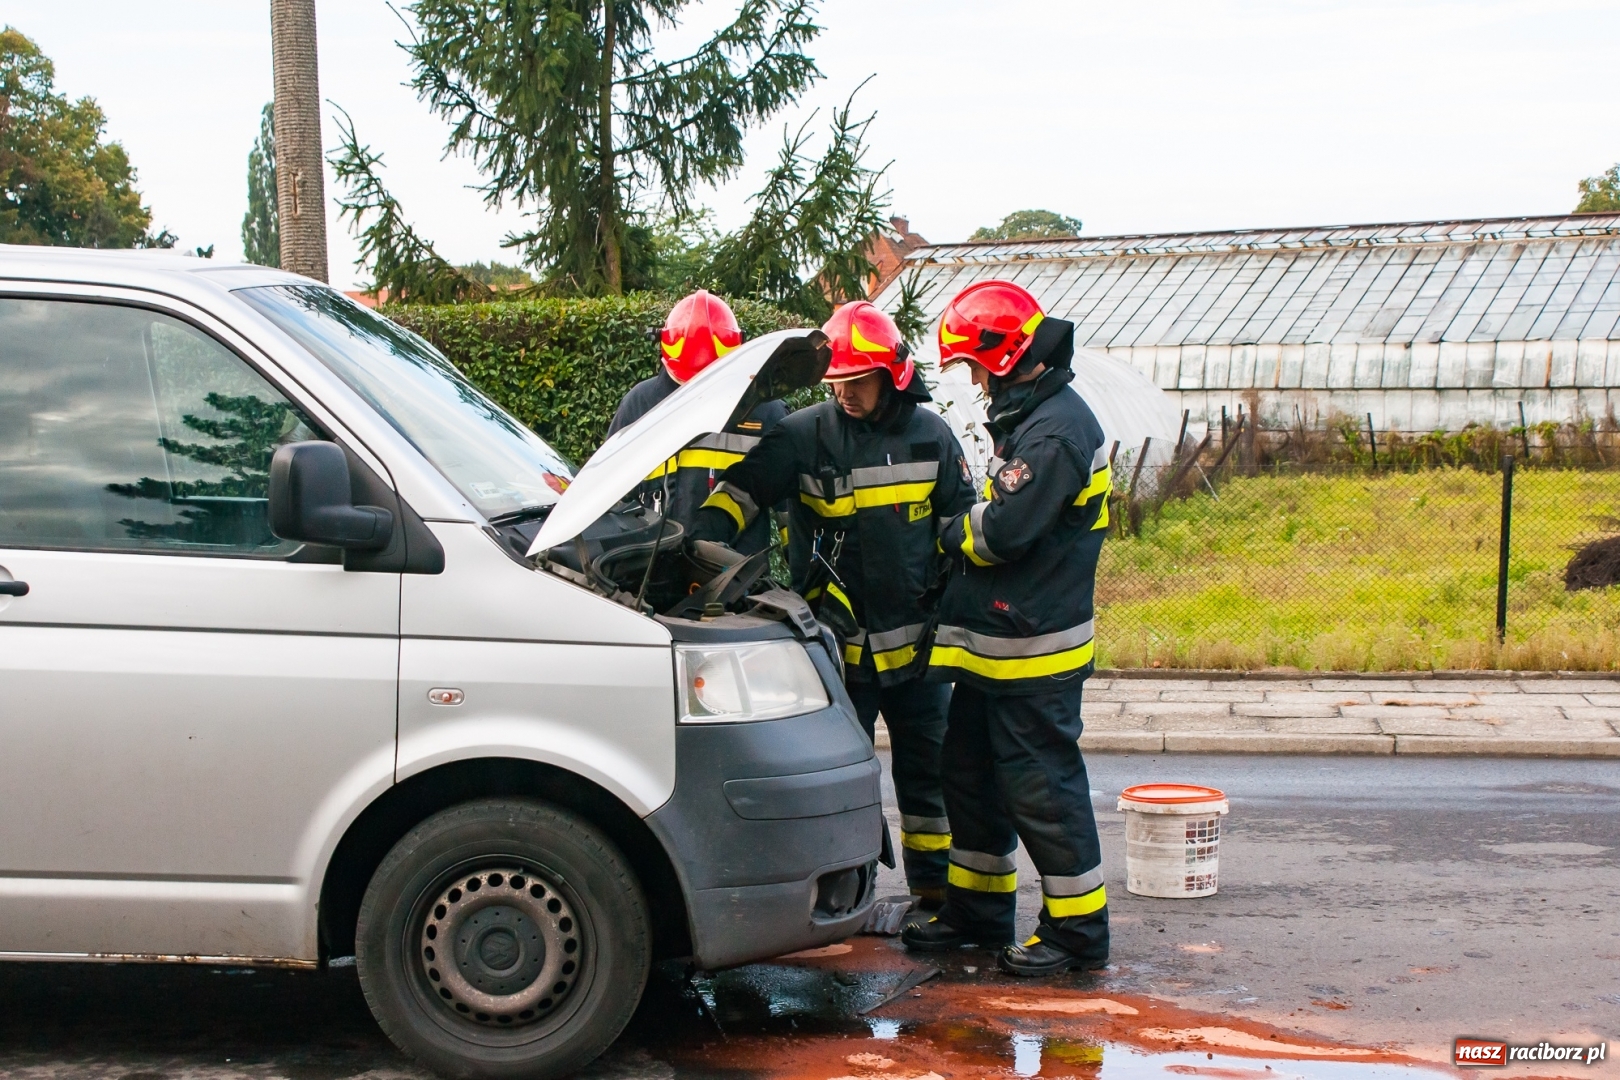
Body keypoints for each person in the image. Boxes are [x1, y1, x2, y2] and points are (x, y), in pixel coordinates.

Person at [689, 301, 975, 906]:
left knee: (929, 779)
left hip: (919, 651)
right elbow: (742, 494)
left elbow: (960, 535)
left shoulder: (932, 437)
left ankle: (936, 897)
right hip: (834, 648)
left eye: (856, 381)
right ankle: (847, 895)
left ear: (890, 375)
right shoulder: (802, 434)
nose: (844, 393)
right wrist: (697, 543)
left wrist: (957, 628)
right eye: (836, 382)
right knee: (840, 780)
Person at [899, 280, 1113, 976]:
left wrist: (949, 531)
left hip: (1033, 654)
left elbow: (1004, 531)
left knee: (1041, 792)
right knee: (969, 777)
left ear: (1005, 357)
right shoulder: (1033, 413)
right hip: (997, 649)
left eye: (973, 367)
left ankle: (1077, 934)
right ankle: (979, 912)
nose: (974, 382)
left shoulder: (1055, 429)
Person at [607, 290, 786, 554]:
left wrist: (804, 580)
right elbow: (611, 497)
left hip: (737, 579)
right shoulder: (639, 406)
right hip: (652, 576)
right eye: (686, 383)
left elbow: (789, 510)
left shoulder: (766, 413)